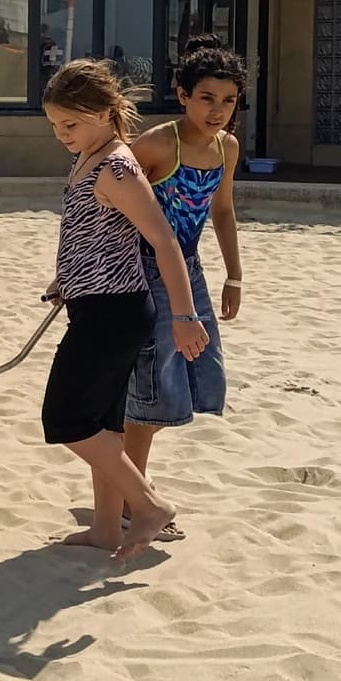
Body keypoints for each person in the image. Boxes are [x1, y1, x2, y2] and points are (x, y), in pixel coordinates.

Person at [39, 59, 208, 557]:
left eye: (70, 124)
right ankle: (106, 528)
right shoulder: (89, 158)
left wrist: (184, 314)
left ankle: (149, 505)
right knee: (105, 422)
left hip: (115, 314)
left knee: (67, 419)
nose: (61, 135)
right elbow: (96, 235)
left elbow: (162, 239)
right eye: (54, 126)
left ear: (106, 112)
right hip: (94, 306)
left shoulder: (116, 165)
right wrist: (65, 277)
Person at [124, 37, 246, 497]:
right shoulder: (157, 145)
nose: (217, 110)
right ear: (183, 96)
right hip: (143, 270)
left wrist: (233, 275)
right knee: (154, 382)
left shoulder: (226, 147)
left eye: (229, 100)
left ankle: (129, 484)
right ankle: (133, 495)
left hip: (187, 269)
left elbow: (223, 210)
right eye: (206, 98)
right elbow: (106, 205)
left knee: (193, 370)